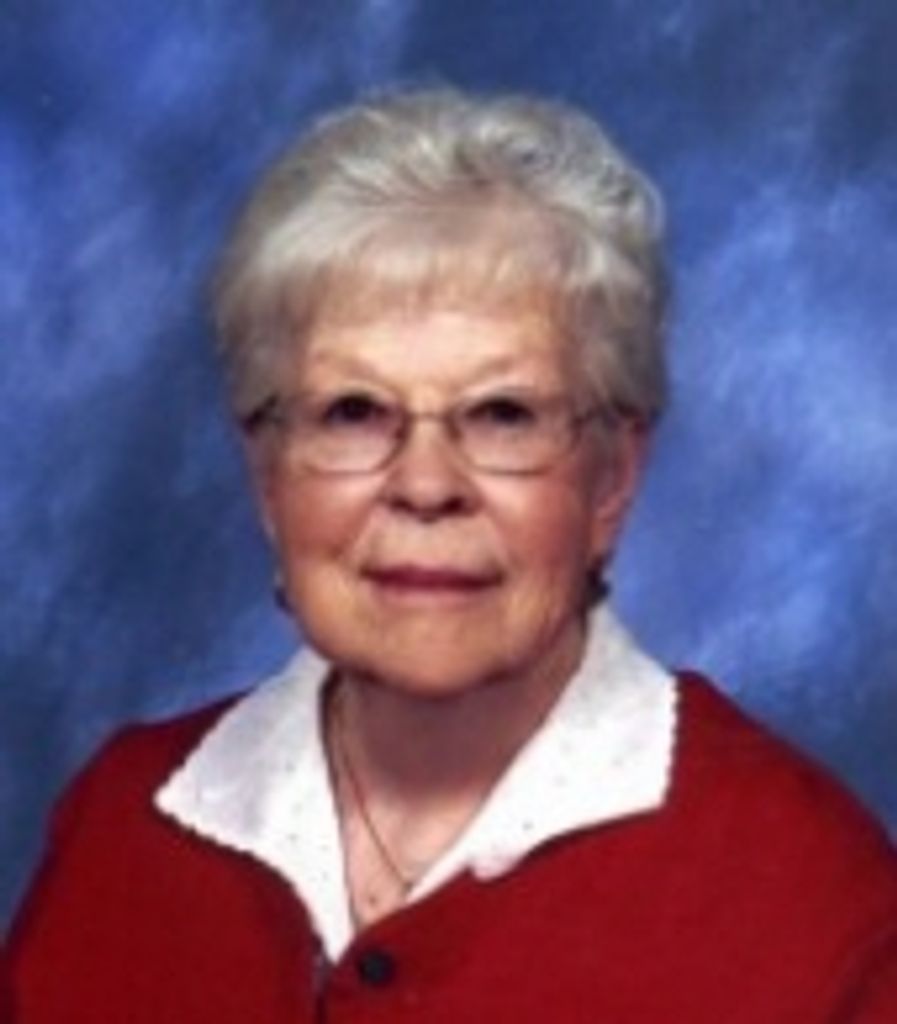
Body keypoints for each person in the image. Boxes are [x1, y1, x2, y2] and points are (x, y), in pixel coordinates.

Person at [7, 87, 897, 1022]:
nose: (426, 485)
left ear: (611, 479)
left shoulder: (814, 901)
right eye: (352, 413)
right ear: (268, 475)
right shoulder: (124, 825)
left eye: (502, 415)